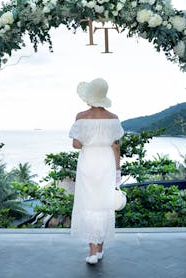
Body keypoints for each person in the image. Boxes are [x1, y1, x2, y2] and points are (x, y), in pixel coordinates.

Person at [69, 78, 124, 265]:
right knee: (103, 204)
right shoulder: (114, 119)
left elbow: (76, 144)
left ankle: (92, 252)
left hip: (88, 164)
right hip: (107, 163)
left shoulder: (81, 116)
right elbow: (116, 148)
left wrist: (89, 140)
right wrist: (117, 172)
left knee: (90, 203)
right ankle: (99, 249)